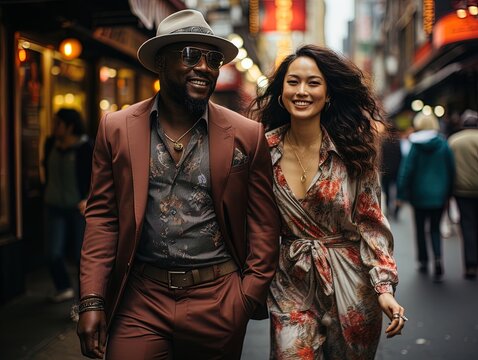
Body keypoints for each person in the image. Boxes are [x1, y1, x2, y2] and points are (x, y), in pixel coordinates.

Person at [76, 9, 280, 360]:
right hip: (140, 299)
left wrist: (246, 297)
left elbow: (263, 221)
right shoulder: (116, 128)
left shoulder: (247, 134)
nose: (204, 66)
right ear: (160, 62)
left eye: (212, 58)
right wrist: (92, 300)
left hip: (218, 299)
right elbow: (103, 219)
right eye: (190, 55)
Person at [247, 44, 405, 360]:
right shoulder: (262, 150)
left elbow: (372, 226)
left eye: (313, 82)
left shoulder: (353, 152)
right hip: (291, 281)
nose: (302, 91)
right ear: (281, 91)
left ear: (328, 93)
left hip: (353, 286)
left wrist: (384, 289)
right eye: (293, 82)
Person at [397, 112, 455, 281]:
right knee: (435, 228)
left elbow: (406, 170)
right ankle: (438, 259)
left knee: (420, 229)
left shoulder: (415, 146)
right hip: (439, 195)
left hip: (419, 195)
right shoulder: (443, 145)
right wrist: (449, 192)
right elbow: (451, 170)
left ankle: (423, 260)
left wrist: (401, 193)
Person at [43, 108, 93, 303]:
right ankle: (63, 287)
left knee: (82, 257)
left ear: (69, 126)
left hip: (78, 209)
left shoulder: (86, 147)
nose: (54, 127)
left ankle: (85, 301)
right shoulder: (50, 144)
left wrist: (88, 198)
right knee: (52, 253)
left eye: (58, 123)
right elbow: (45, 168)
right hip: (54, 205)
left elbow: (96, 176)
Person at [448, 109, 478, 279]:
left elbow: (449, 167)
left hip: (462, 190)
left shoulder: (454, 141)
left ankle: (471, 264)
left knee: (467, 225)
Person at [380, 124, 402, 220]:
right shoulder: (398, 143)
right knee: (397, 191)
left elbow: (381, 157)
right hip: (397, 170)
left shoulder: (384, 143)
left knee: (387, 191)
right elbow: (401, 157)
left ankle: (388, 209)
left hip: (386, 170)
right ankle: (396, 210)